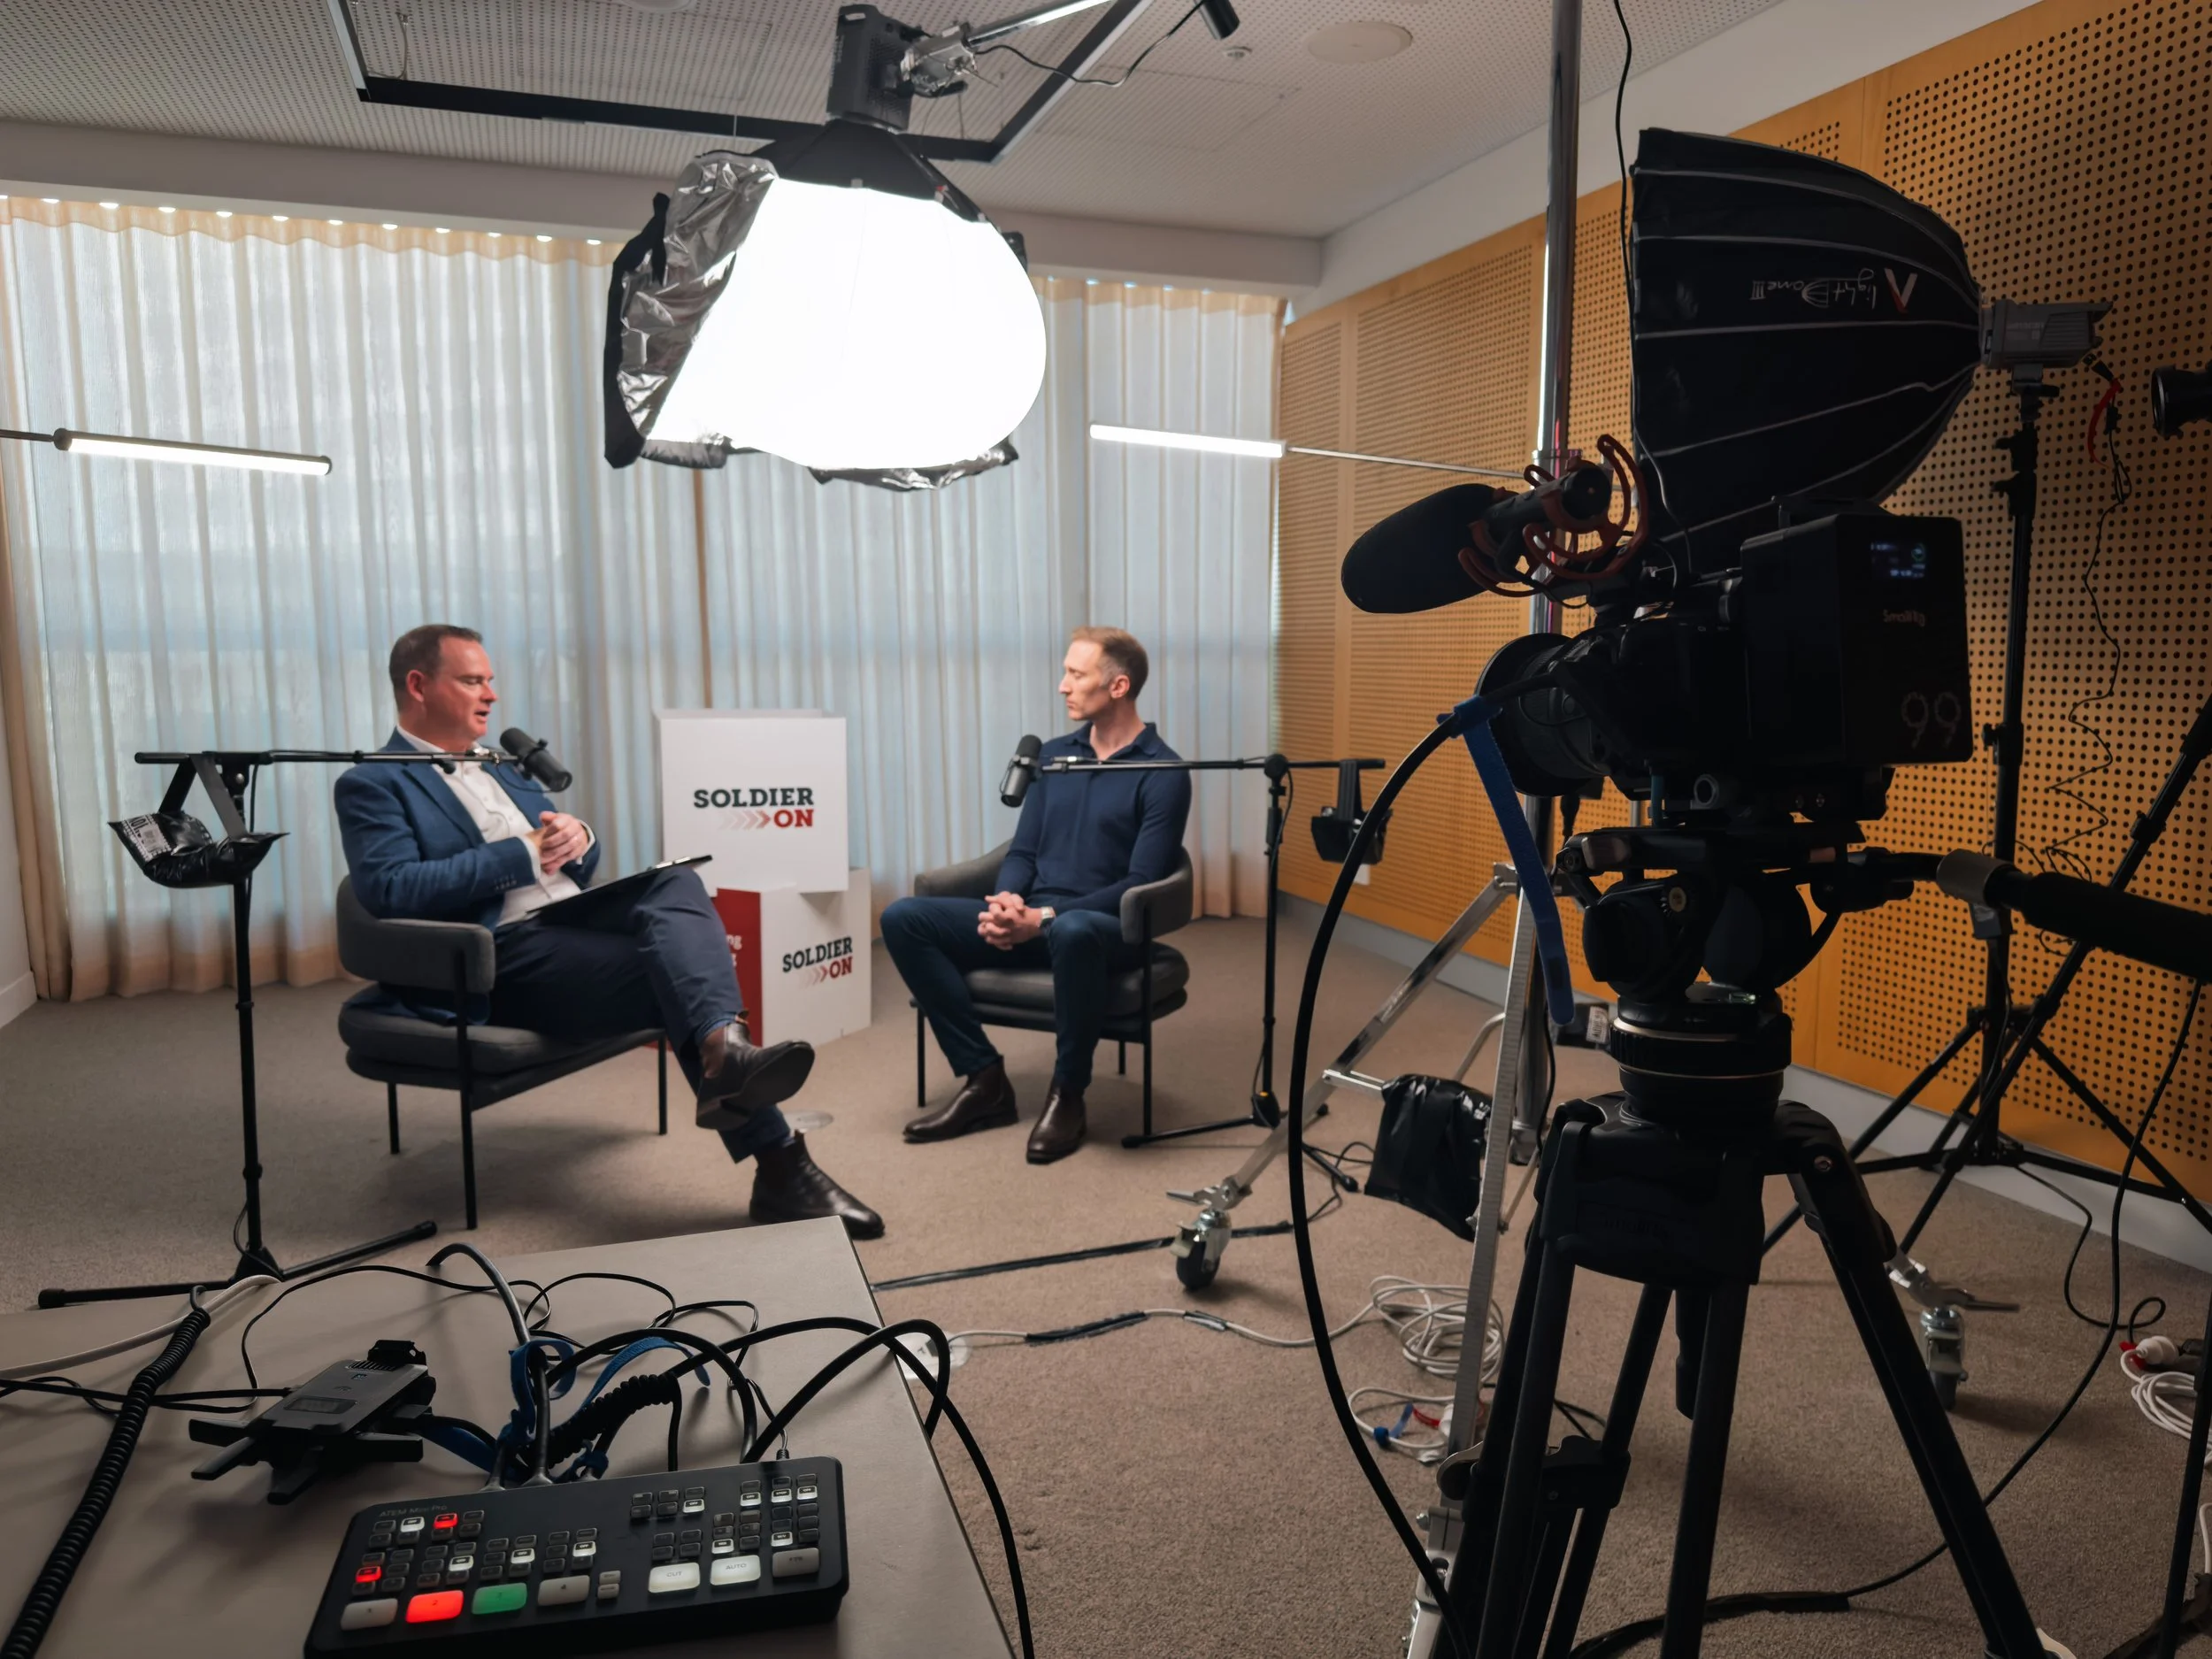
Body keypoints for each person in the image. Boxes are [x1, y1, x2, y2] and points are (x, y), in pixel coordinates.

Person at [334, 625, 882, 1239]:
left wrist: (579, 839)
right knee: (676, 979)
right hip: (499, 952)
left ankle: (728, 1050)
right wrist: (522, 853)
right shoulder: (372, 782)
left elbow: (564, 861)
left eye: (491, 679)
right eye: (472, 680)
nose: (490, 694)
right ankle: (780, 1159)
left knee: (677, 881)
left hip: (568, 916)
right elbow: (390, 890)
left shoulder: (504, 765)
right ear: (418, 685)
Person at [883, 626, 1191, 1164]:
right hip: (1032, 916)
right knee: (904, 918)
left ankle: (1068, 1093)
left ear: (1118, 686)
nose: (1062, 686)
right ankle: (984, 1080)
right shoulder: (1052, 757)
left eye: (1076, 674)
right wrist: (1005, 903)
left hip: (1101, 929)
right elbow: (1022, 852)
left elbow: (1139, 882)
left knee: (1070, 931)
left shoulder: (1163, 772)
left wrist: (1043, 917)